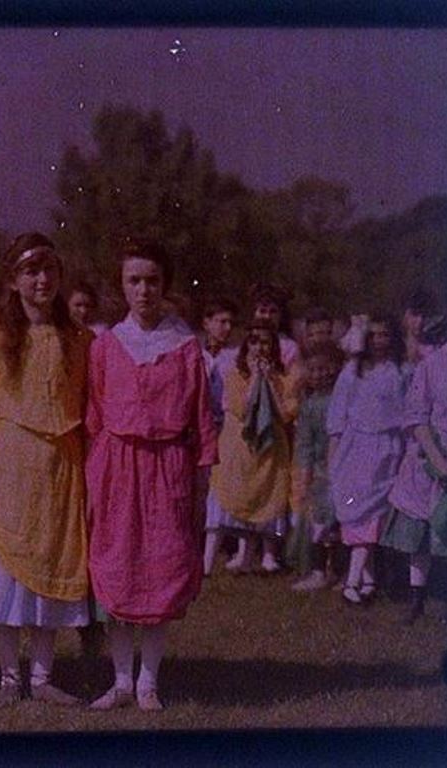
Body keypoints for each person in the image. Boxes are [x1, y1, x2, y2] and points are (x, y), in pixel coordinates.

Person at [85, 238, 216, 711]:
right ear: (122, 286)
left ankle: (148, 682)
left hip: (167, 468)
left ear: (165, 285)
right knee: (118, 567)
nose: (144, 290)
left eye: (152, 281)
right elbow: (95, 414)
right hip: (118, 468)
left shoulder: (184, 347)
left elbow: (201, 417)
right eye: (134, 281)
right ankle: (121, 680)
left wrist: (200, 475)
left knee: (161, 568)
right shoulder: (106, 345)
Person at [0, 232, 92, 707]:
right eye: (30, 272)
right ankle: (9, 677)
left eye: (48, 271)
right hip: (13, 462)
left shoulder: (78, 338)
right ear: (13, 280)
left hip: (61, 462)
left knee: (52, 560)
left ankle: (42, 676)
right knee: (9, 567)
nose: (41, 280)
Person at [207, 319, 302, 573]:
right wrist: (254, 378)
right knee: (228, 499)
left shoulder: (284, 377)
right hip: (239, 446)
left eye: (265, 342)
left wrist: (269, 381)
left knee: (265, 499)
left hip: (270, 448)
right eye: (254, 341)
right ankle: (211, 562)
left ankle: (258, 558)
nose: (259, 347)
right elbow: (242, 408)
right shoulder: (234, 374)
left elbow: (286, 414)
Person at [327, 315, 407, 606]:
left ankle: (355, 581)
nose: (378, 341)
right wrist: (334, 454)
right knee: (356, 510)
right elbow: (337, 413)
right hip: (355, 447)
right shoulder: (353, 371)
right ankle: (364, 579)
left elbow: (403, 413)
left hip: (385, 448)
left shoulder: (398, 372)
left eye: (384, 335)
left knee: (374, 512)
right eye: (372, 335)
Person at [383, 313, 447, 623]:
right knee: (421, 534)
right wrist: (439, 461)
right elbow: (416, 417)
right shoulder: (432, 365)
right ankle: (417, 600)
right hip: (432, 458)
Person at [287, 341, 347, 591]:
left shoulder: (344, 399)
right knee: (318, 523)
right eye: (312, 370)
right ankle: (319, 571)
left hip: (345, 470)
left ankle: (342, 572)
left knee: (341, 525)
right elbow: (305, 444)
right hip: (320, 473)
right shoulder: (309, 405)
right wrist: (304, 475)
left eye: (323, 369)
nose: (318, 375)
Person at [198, 296, 238, 575]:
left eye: (230, 323)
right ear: (207, 323)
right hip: (198, 426)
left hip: (224, 427)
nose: (226, 328)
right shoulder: (194, 353)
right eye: (221, 322)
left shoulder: (233, 357)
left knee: (217, 487)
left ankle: (213, 552)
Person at [247, 282, 300, 369]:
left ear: (281, 315)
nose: (267, 317)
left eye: (273, 311)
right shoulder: (245, 343)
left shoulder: (290, 348)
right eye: (262, 311)